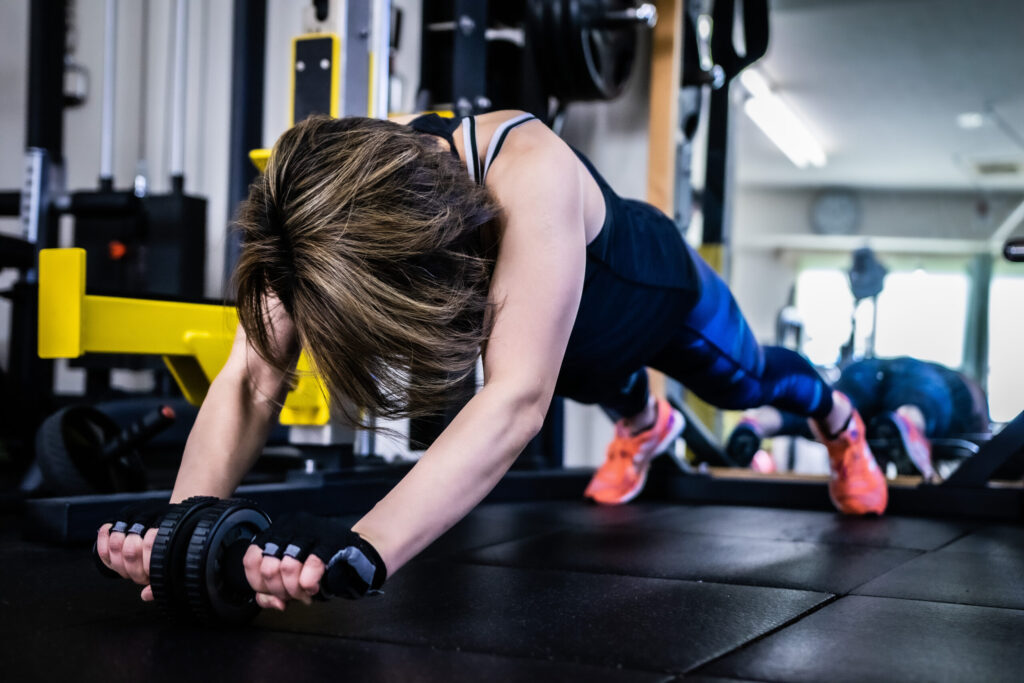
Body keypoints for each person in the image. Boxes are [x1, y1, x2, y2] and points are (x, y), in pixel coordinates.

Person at [94, 111, 886, 612]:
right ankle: (645, 425)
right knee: (594, 378)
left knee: (743, 381)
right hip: (567, 350)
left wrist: (360, 546)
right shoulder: (311, 213)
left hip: (657, 296)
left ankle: (839, 419)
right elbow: (250, 377)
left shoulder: (528, 169)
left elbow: (512, 401)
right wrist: (182, 537)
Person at [727, 356, 990, 479]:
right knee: (922, 403)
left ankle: (757, 423)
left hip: (864, 368)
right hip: (928, 380)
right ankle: (908, 422)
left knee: (832, 413)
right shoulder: (963, 394)